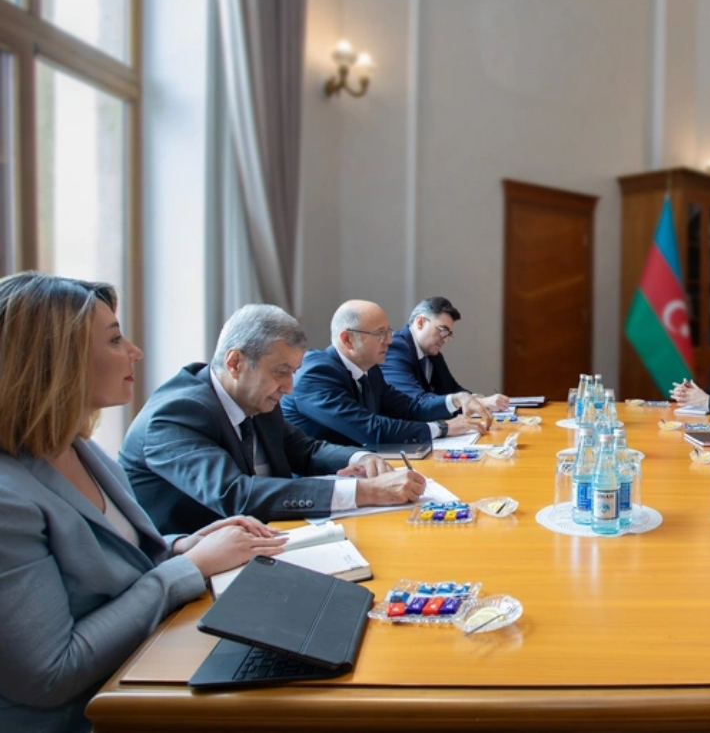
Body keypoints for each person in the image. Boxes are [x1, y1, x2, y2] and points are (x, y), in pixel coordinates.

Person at [0, 273, 287, 733]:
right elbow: (51, 674)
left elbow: (117, 559)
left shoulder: (79, 448)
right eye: (115, 339)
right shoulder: (8, 498)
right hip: (92, 714)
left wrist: (182, 545)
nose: (135, 352)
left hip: (141, 663)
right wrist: (191, 567)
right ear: (54, 359)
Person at [122, 304, 426, 535]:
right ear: (235, 363)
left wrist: (362, 458)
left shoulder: (254, 397)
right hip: (191, 570)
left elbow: (305, 450)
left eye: (293, 373)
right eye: (281, 372)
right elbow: (235, 494)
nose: (289, 388)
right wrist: (367, 492)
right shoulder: (176, 413)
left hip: (264, 540)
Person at [282, 300, 489, 447]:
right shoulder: (316, 374)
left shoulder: (370, 371)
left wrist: (456, 400)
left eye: (388, 332)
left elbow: (410, 408)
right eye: (380, 334)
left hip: (362, 466)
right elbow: (371, 429)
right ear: (347, 339)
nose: (389, 340)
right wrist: (442, 428)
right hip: (320, 478)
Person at [381, 296, 509, 414]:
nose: (445, 339)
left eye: (449, 334)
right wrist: (480, 403)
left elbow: (452, 389)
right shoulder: (395, 349)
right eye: (442, 331)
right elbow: (415, 401)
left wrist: (478, 400)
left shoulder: (433, 354)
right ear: (420, 322)